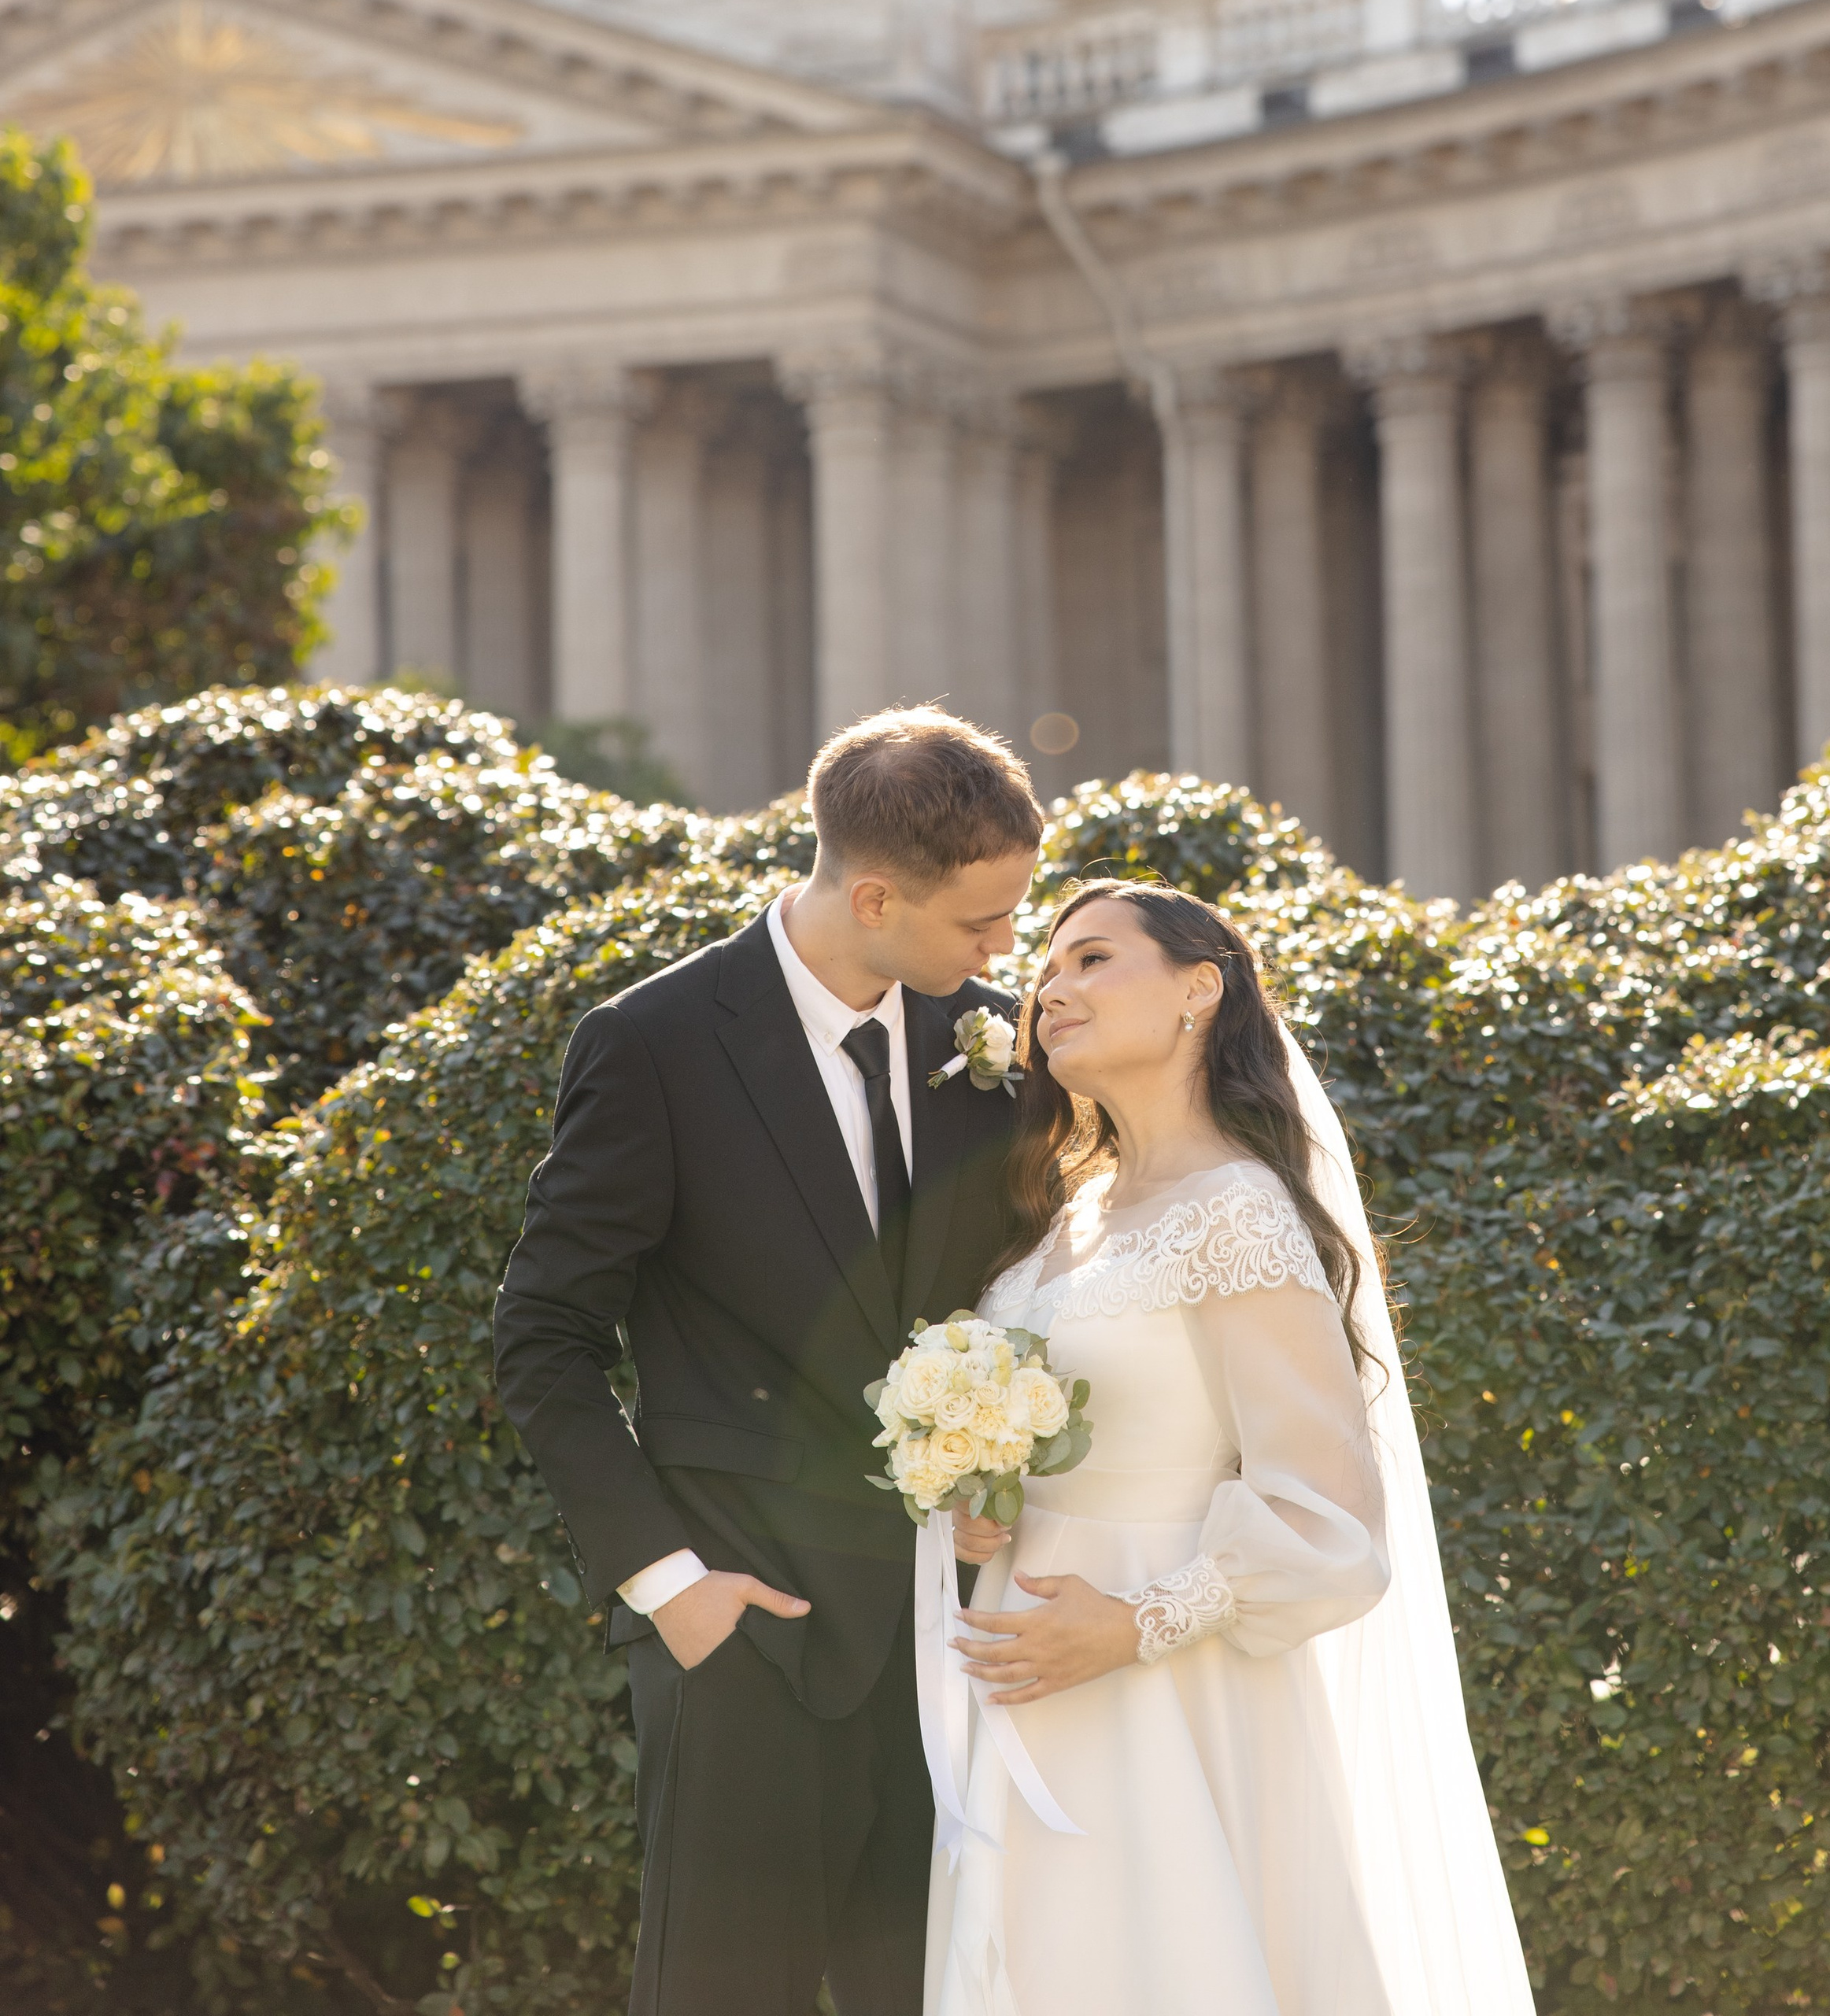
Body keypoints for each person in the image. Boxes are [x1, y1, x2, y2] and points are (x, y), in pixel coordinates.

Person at [492, 707, 1044, 2016]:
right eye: (981, 923)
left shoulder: (997, 1045)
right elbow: (544, 1336)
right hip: (746, 1641)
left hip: (953, 1653)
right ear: (871, 895)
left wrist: (1006, 1492)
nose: (1006, 950)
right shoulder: (654, 1044)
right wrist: (670, 1584)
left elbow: (1022, 1300)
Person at [928, 881, 1536, 2016]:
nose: (1049, 987)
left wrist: (1135, 1623)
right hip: (1024, 1676)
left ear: (1199, 989)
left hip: (1175, 1690)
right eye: (1046, 968)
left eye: (1093, 958)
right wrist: (984, 1497)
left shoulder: (1238, 1212)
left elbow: (1329, 1516)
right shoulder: (1071, 1214)